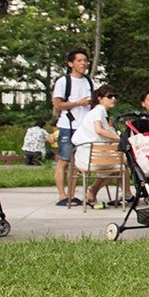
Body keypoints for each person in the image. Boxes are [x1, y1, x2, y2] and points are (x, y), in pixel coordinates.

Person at [51, 48, 94, 207]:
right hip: (68, 126)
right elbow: (57, 104)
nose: (83, 63)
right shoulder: (63, 81)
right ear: (71, 63)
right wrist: (78, 103)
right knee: (64, 160)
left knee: (77, 162)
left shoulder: (90, 81)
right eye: (79, 61)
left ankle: (72, 194)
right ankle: (62, 195)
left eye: (85, 60)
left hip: (84, 127)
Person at [71, 84, 121, 208]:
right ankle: (127, 195)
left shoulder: (98, 113)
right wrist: (121, 139)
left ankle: (92, 192)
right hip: (90, 157)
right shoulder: (99, 110)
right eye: (109, 96)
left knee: (119, 164)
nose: (113, 99)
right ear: (99, 98)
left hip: (90, 156)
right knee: (123, 164)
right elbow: (99, 130)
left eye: (115, 96)